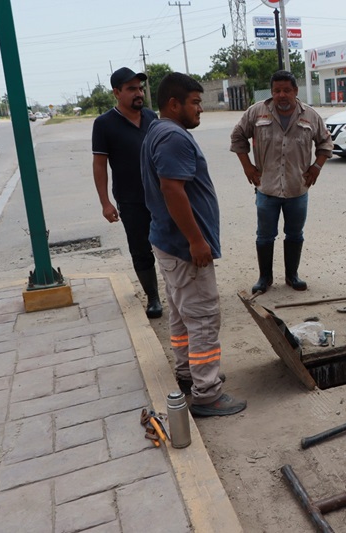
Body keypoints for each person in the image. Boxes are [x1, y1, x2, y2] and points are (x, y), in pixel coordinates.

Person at [141, 72, 246, 417]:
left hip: (169, 242)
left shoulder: (157, 130)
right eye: (195, 102)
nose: (201, 108)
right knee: (202, 317)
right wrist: (196, 240)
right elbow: (172, 190)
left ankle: (189, 373)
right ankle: (207, 392)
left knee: (181, 313)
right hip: (184, 247)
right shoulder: (173, 137)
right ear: (174, 104)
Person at [230, 70, 333, 294]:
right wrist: (247, 166)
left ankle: (292, 276)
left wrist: (316, 167)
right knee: (264, 235)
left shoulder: (310, 116)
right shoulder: (256, 112)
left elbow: (325, 143)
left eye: (287, 90)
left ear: (295, 91)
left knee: (295, 234)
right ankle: (264, 278)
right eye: (277, 91)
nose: (281, 95)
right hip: (266, 189)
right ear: (272, 92)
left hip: (297, 189)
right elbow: (237, 136)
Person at [92, 67, 162, 319]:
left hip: (161, 196)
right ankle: (153, 297)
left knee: (172, 243)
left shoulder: (151, 117)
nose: (138, 93)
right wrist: (105, 203)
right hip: (131, 200)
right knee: (141, 249)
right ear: (116, 92)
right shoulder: (104, 124)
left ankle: (179, 290)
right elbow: (99, 165)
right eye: (131, 89)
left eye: (140, 88)